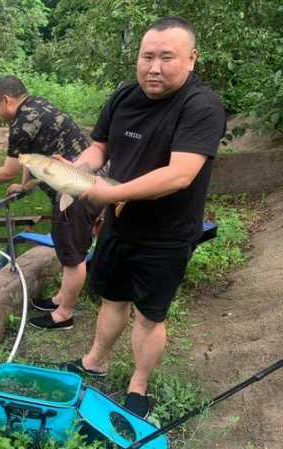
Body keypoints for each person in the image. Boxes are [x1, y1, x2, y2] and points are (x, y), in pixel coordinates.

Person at [60, 17, 227, 418]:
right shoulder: (124, 97)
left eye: (166, 57)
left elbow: (180, 174)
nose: (154, 67)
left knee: (150, 316)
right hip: (119, 227)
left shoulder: (201, 106)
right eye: (147, 56)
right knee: (112, 298)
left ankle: (138, 384)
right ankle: (94, 361)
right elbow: (99, 148)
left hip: (166, 235)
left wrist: (110, 193)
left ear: (191, 59)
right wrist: (75, 169)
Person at [0, 75, 103, 330]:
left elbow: (7, 171)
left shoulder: (20, 124)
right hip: (87, 185)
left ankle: (64, 315)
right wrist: (25, 184)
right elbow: (32, 155)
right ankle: (61, 298)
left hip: (75, 193)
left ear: (6, 100)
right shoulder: (38, 106)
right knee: (67, 246)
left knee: (73, 256)